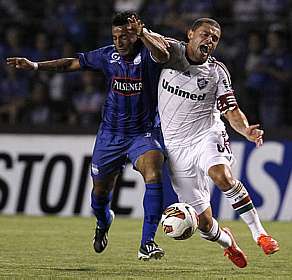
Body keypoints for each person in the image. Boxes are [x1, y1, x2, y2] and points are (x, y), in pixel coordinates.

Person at [7, 11, 172, 261]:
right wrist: (36, 65)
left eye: (124, 36)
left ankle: (147, 242)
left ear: (135, 35)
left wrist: (144, 33)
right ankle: (104, 220)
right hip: (110, 135)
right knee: (99, 196)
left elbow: (164, 55)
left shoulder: (149, 53)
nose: (119, 41)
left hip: (143, 132)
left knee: (153, 172)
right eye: (115, 36)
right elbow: (72, 63)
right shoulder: (108, 55)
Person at [129, 17, 280, 268]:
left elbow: (231, 110)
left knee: (222, 177)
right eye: (205, 34)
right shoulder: (172, 52)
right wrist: (143, 33)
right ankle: (228, 243)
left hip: (206, 135)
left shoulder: (217, 73)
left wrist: (245, 131)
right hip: (176, 149)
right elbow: (157, 48)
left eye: (214, 38)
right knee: (205, 224)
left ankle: (260, 234)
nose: (209, 40)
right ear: (190, 34)